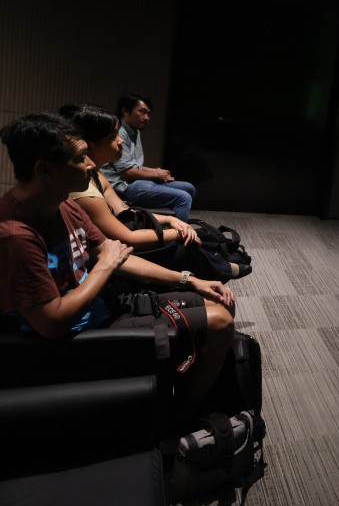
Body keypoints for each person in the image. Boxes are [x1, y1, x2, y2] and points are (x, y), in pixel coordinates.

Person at [0, 112, 235, 419]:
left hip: (105, 306)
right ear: (44, 170)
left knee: (215, 299)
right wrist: (104, 267)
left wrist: (188, 279)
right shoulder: (16, 235)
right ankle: (180, 421)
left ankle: (176, 399)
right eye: (81, 157)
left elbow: (118, 258)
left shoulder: (64, 204)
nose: (92, 165)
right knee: (219, 321)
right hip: (75, 338)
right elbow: (51, 323)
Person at [58, 103, 249, 280]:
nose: (119, 141)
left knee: (188, 208)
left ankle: (213, 260)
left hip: (124, 230)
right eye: (112, 137)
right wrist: (177, 231)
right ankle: (214, 266)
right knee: (183, 235)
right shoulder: (84, 191)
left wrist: (169, 220)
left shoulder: (97, 175)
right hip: (117, 244)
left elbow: (126, 212)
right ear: (88, 146)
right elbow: (126, 236)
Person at [101, 92, 196, 220]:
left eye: (148, 113)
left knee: (189, 188)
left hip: (135, 182)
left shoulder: (135, 130)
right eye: (142, 112)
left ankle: (166, 225)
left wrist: (155, 171)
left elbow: (134, 165)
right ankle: (177, 236)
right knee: (183, 198)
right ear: (125, 111)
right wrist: (156, 175)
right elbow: (127, 173)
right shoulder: (120, 132)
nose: (147, 117)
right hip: (123, 188)